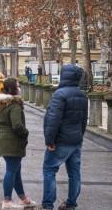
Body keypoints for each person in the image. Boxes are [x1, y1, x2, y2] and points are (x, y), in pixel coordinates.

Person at [42, 65, 88, 210]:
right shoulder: (82, 95)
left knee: (49, 170)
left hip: (60, 140)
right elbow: (83, 120)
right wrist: (80, 137)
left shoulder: (59, 94)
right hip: (75, 140)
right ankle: (71, 204)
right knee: (74, 173)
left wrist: (50, 140)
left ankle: (48, 205)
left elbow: (52, 120)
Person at [0, 78, 36, 209]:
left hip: (3, 140)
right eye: (18, 86)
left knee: (16, 171)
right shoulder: (14, 105)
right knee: (12, 171)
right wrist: (26, 132)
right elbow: (17, 126)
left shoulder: (1, 103)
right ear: (12, 88)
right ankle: (7, 200)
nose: (19, 88)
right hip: (12, 141)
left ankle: (23, 198)